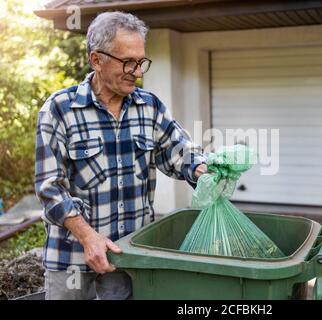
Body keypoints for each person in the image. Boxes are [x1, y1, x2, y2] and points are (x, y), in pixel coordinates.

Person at [34, 11, 207, 300]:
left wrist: (202, 169)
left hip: (127, 258)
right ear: (96, 60)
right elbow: (49, 187)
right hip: (71, 262)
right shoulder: (59, 110)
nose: (138, 72)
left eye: (141, 62)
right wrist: (89, 238)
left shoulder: (149, 106)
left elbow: (178, 151)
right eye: (128, 62)